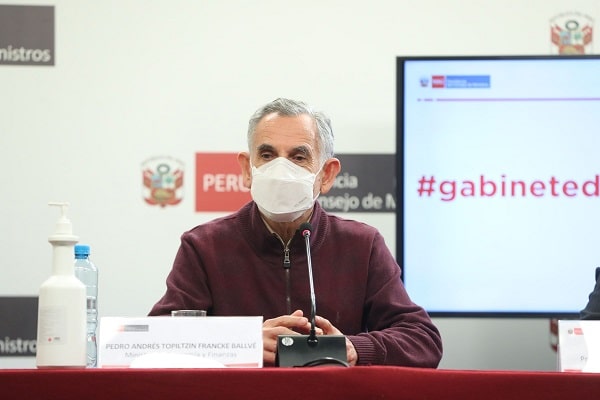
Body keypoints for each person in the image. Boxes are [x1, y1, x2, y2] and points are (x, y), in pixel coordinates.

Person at [149, 98, 443, 367]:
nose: (281, 169)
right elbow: (156, 340)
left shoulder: (362, 245)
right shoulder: (204, 246)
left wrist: (353, 348)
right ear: (247, 169)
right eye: (267, 155)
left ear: (326, 174)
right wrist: (241, 342)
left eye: (298, 157)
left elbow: (422, 340)